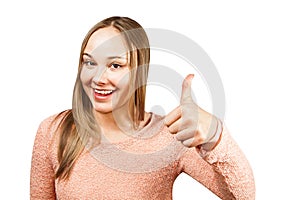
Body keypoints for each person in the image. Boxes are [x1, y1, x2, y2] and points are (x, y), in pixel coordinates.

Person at [30, 16, 255, 199]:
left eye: (115, 65)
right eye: (90, 62)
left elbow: (242, 197)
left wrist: (216, 137)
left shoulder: (169, 136)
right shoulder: (53, 131)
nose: (98, 78)